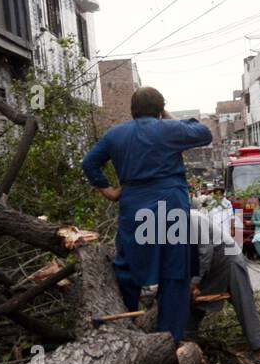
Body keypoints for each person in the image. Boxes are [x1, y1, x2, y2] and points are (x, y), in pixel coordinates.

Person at [81, 87, 212, 343]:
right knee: (174, 272)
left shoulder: (115, 134)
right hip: (171, 205)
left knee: (128, 267)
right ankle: (168, 342)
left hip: (135, 206)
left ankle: (124, 330)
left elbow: (89, 163)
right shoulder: (169, 129)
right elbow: (204, 134)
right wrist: (164, 113)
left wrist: (109, 191)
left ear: (132, 110)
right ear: (160, 109)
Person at [187, 210, 260, 360]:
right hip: (211, 264)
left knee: (243, 302)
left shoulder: (193, 219)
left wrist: (195, 281)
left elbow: (205, 251)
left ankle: (257, 348)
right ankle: (187, 341)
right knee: (192, 301)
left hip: (228, 257)